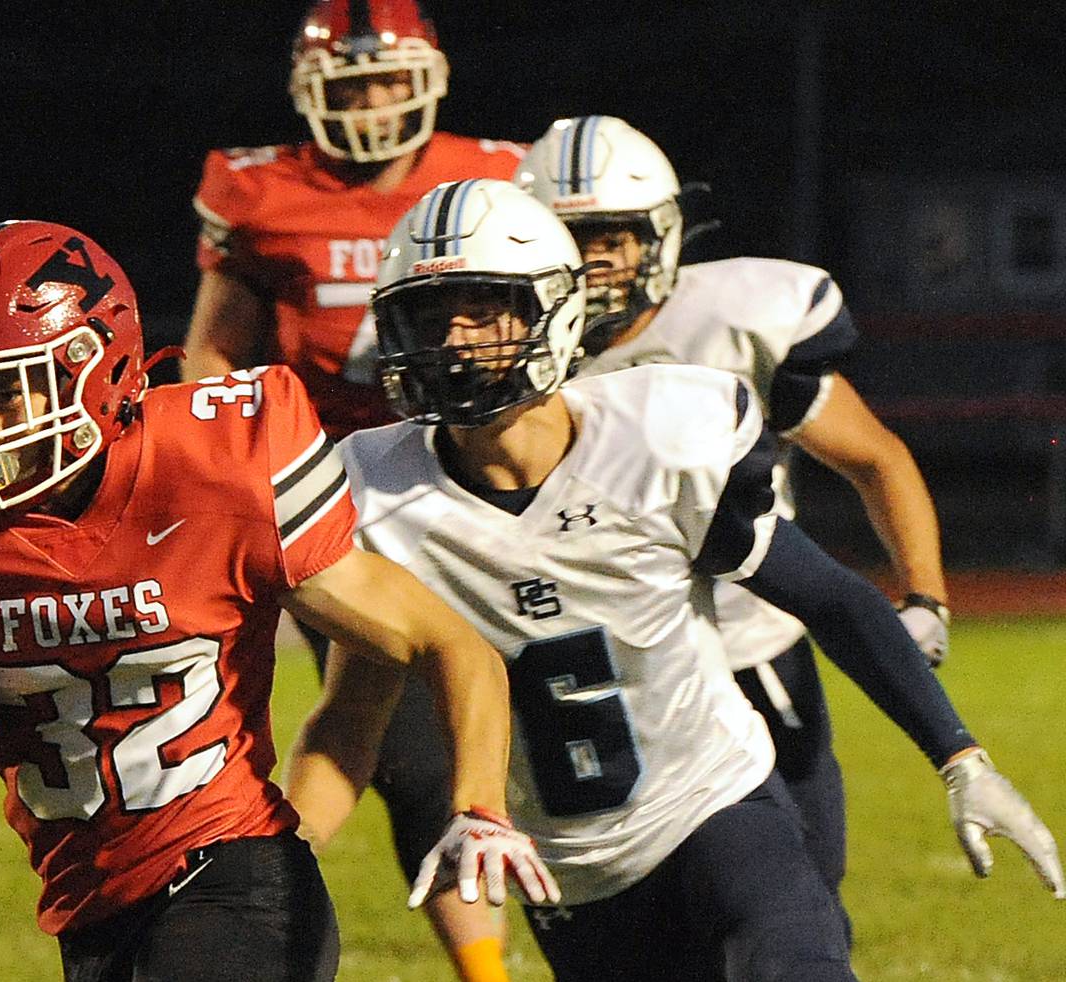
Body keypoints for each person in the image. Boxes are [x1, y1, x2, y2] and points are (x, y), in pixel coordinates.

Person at [294, 179, 1063, 981]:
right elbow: (350, 719)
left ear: (553, 311)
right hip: (571, 871)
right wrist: (276, 857)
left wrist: (960, 757)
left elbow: (828, 597)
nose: (455, 342)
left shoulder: (659, 436)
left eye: (484, 310)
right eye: (429, 315)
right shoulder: (375, 497)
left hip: (716, 807)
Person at [0, 220, 557, 982]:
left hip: (237, 880)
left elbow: (451, 644)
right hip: (89, 907)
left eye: (0, 391)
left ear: (90, 369)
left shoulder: (217, 465)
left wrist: (480, 807)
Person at [514, 115, 949, 924]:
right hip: (614, 674)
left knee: (806, 897)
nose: (597, 258)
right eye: (575, 237)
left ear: (666, 234)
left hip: (755, 642)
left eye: (617, 235)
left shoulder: (731, 319)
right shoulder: (511, 350)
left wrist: (924, 594)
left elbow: (875, 458)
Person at [182, 3, 528, 977]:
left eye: (386, 81)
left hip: (483, 475)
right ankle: (484, 965)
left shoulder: (501, 171)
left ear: (427, 77)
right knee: (411, 741)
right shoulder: (262, 191)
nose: (372, 103)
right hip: (345, 500)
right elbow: (216, 349)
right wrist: (231, 468)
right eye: (351, 85)